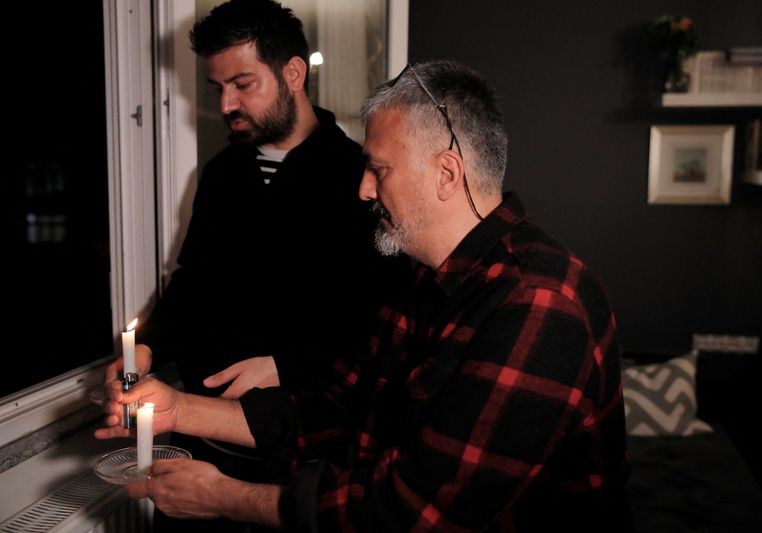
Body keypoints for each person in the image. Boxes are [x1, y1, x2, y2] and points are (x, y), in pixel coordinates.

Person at [99, 59, 631, 531]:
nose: (364, 190)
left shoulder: (538, 303)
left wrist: (222, 497)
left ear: (446, 173)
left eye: (379, 169)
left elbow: (414, 513)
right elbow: (334, 408)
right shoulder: (424, 278)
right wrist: (177, 411)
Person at [103, 0, 400, 530]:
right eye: (218, 87)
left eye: (243, 83)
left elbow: (378, 319)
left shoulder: (359, 177)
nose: (227, 104)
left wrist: (288, 362)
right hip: (195, 431)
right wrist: (147, 346)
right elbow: (191, 285)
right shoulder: (221, 175)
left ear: (293, 73)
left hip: (301, 449)